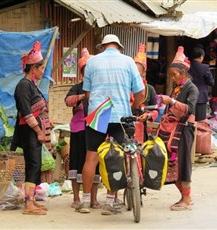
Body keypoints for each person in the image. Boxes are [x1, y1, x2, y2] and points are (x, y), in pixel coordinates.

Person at [76, 34, 145, 215]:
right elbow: (140, 91)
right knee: (117, 157)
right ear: (119, 47)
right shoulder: (128, 61)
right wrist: (135, 106)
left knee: (91, 157)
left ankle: (84, 202)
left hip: (99, 113)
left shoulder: (92, 62)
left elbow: (88, 93)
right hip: (121, 114)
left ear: (103, 47)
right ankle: (109, 202)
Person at [13, 41, 53, 215]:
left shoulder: (31, 85)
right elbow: (26, 113)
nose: (42, 71)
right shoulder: (23, 86)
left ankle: (32, 201)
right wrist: (38, 131)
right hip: (29, 132)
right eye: (41, 67)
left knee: (35, 166)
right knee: (33, 164)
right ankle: (28, 205)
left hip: (33, 132)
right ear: (33, 68)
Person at [158, 46, 199, 211]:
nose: (173, 78)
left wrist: (172, 102)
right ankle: (185, 196)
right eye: (171, 75)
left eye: (175, 75)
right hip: (174, 129)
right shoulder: (177, 89)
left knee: (183, 163)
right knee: (173, 163)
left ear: (184, 74)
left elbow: (189, 109)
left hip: (185, 129)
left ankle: (187, 198)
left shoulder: (191, 89)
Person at [65, 48, 101, 209]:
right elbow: (68, 101)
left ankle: (93, 199)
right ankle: (76, 198)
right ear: (81, 72)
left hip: (96, 128)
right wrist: (82, 97)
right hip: (79, 129)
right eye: (86, 70)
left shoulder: (100, 87)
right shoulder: (78, 88)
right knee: (77, 163)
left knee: (95, 165)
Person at [131, 43, 158, 143]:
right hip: (126, 127)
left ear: (143, 73)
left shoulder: (150, 89)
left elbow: (156, 110)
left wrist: (148, 115)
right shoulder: (126, 87)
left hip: (143, 129)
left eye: (138, 73)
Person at [188, 45, 215, 121]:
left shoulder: (187, 66)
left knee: (188, 120)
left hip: (188, 96)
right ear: (200, 57)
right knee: (200, 121)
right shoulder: (205, 67)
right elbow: (211, 83)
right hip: (201, 97)